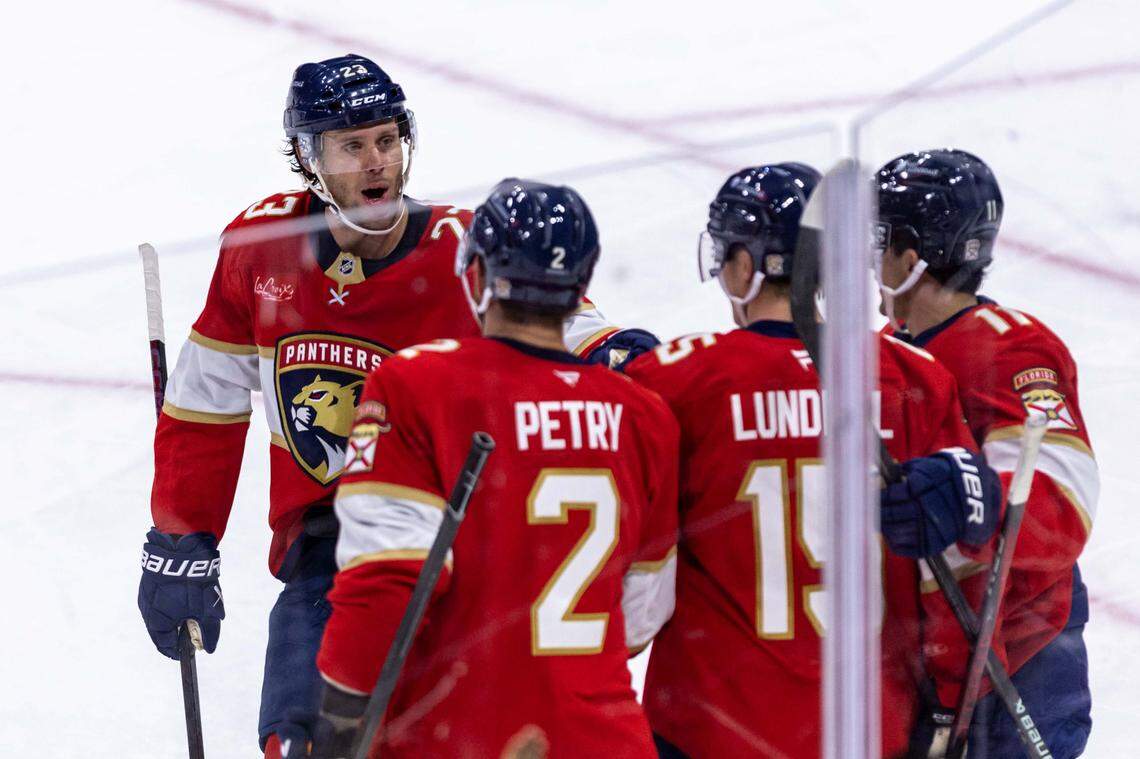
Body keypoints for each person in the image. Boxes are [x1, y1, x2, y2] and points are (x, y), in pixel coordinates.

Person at [134, 54, 657, 758]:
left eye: (387, 140)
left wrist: (625, 352)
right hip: (327, 550)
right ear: (305, 156)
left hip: (457, 548)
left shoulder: (458, 247)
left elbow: (574, 328)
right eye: (352, 146)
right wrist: (181, 536)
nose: (376, 162)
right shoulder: (262, 248)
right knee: (301, 742)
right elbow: (207, 400)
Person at [624, 163, 1002, 758]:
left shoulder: (673, 381)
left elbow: (636, 581)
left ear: (744, 268)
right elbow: (956, 572)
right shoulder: (913, 377)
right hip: (866, 730)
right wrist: (954, 708)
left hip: (716, 732)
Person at [299, 179, 680, 757]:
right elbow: (644, 603)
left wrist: (341, 713)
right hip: (603, 735)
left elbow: (388, 581)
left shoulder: (418, 383)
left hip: (460, 730)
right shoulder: (642, 411)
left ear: (474, 276)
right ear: (580, 285)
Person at [875, 148, 1097, 758]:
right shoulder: (885, 350)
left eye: (881, 239)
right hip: (936, 648)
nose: (872, 258)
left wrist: (971, 496)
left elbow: (1062, 502)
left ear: (913, 256)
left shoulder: (1009, 349)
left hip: (1024, 651)